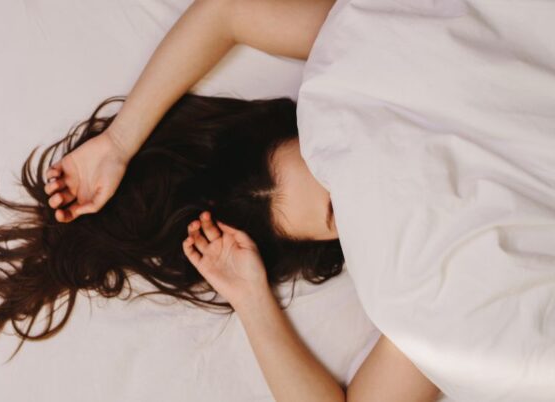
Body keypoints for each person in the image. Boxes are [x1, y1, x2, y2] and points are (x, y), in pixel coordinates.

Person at [40, 0, 443, 401]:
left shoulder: (382, 54)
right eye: (337, 210)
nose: (360, 182)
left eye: (329, 161)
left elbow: (226, 12)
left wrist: (118, 142)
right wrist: (251, 298)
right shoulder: (432, 277)